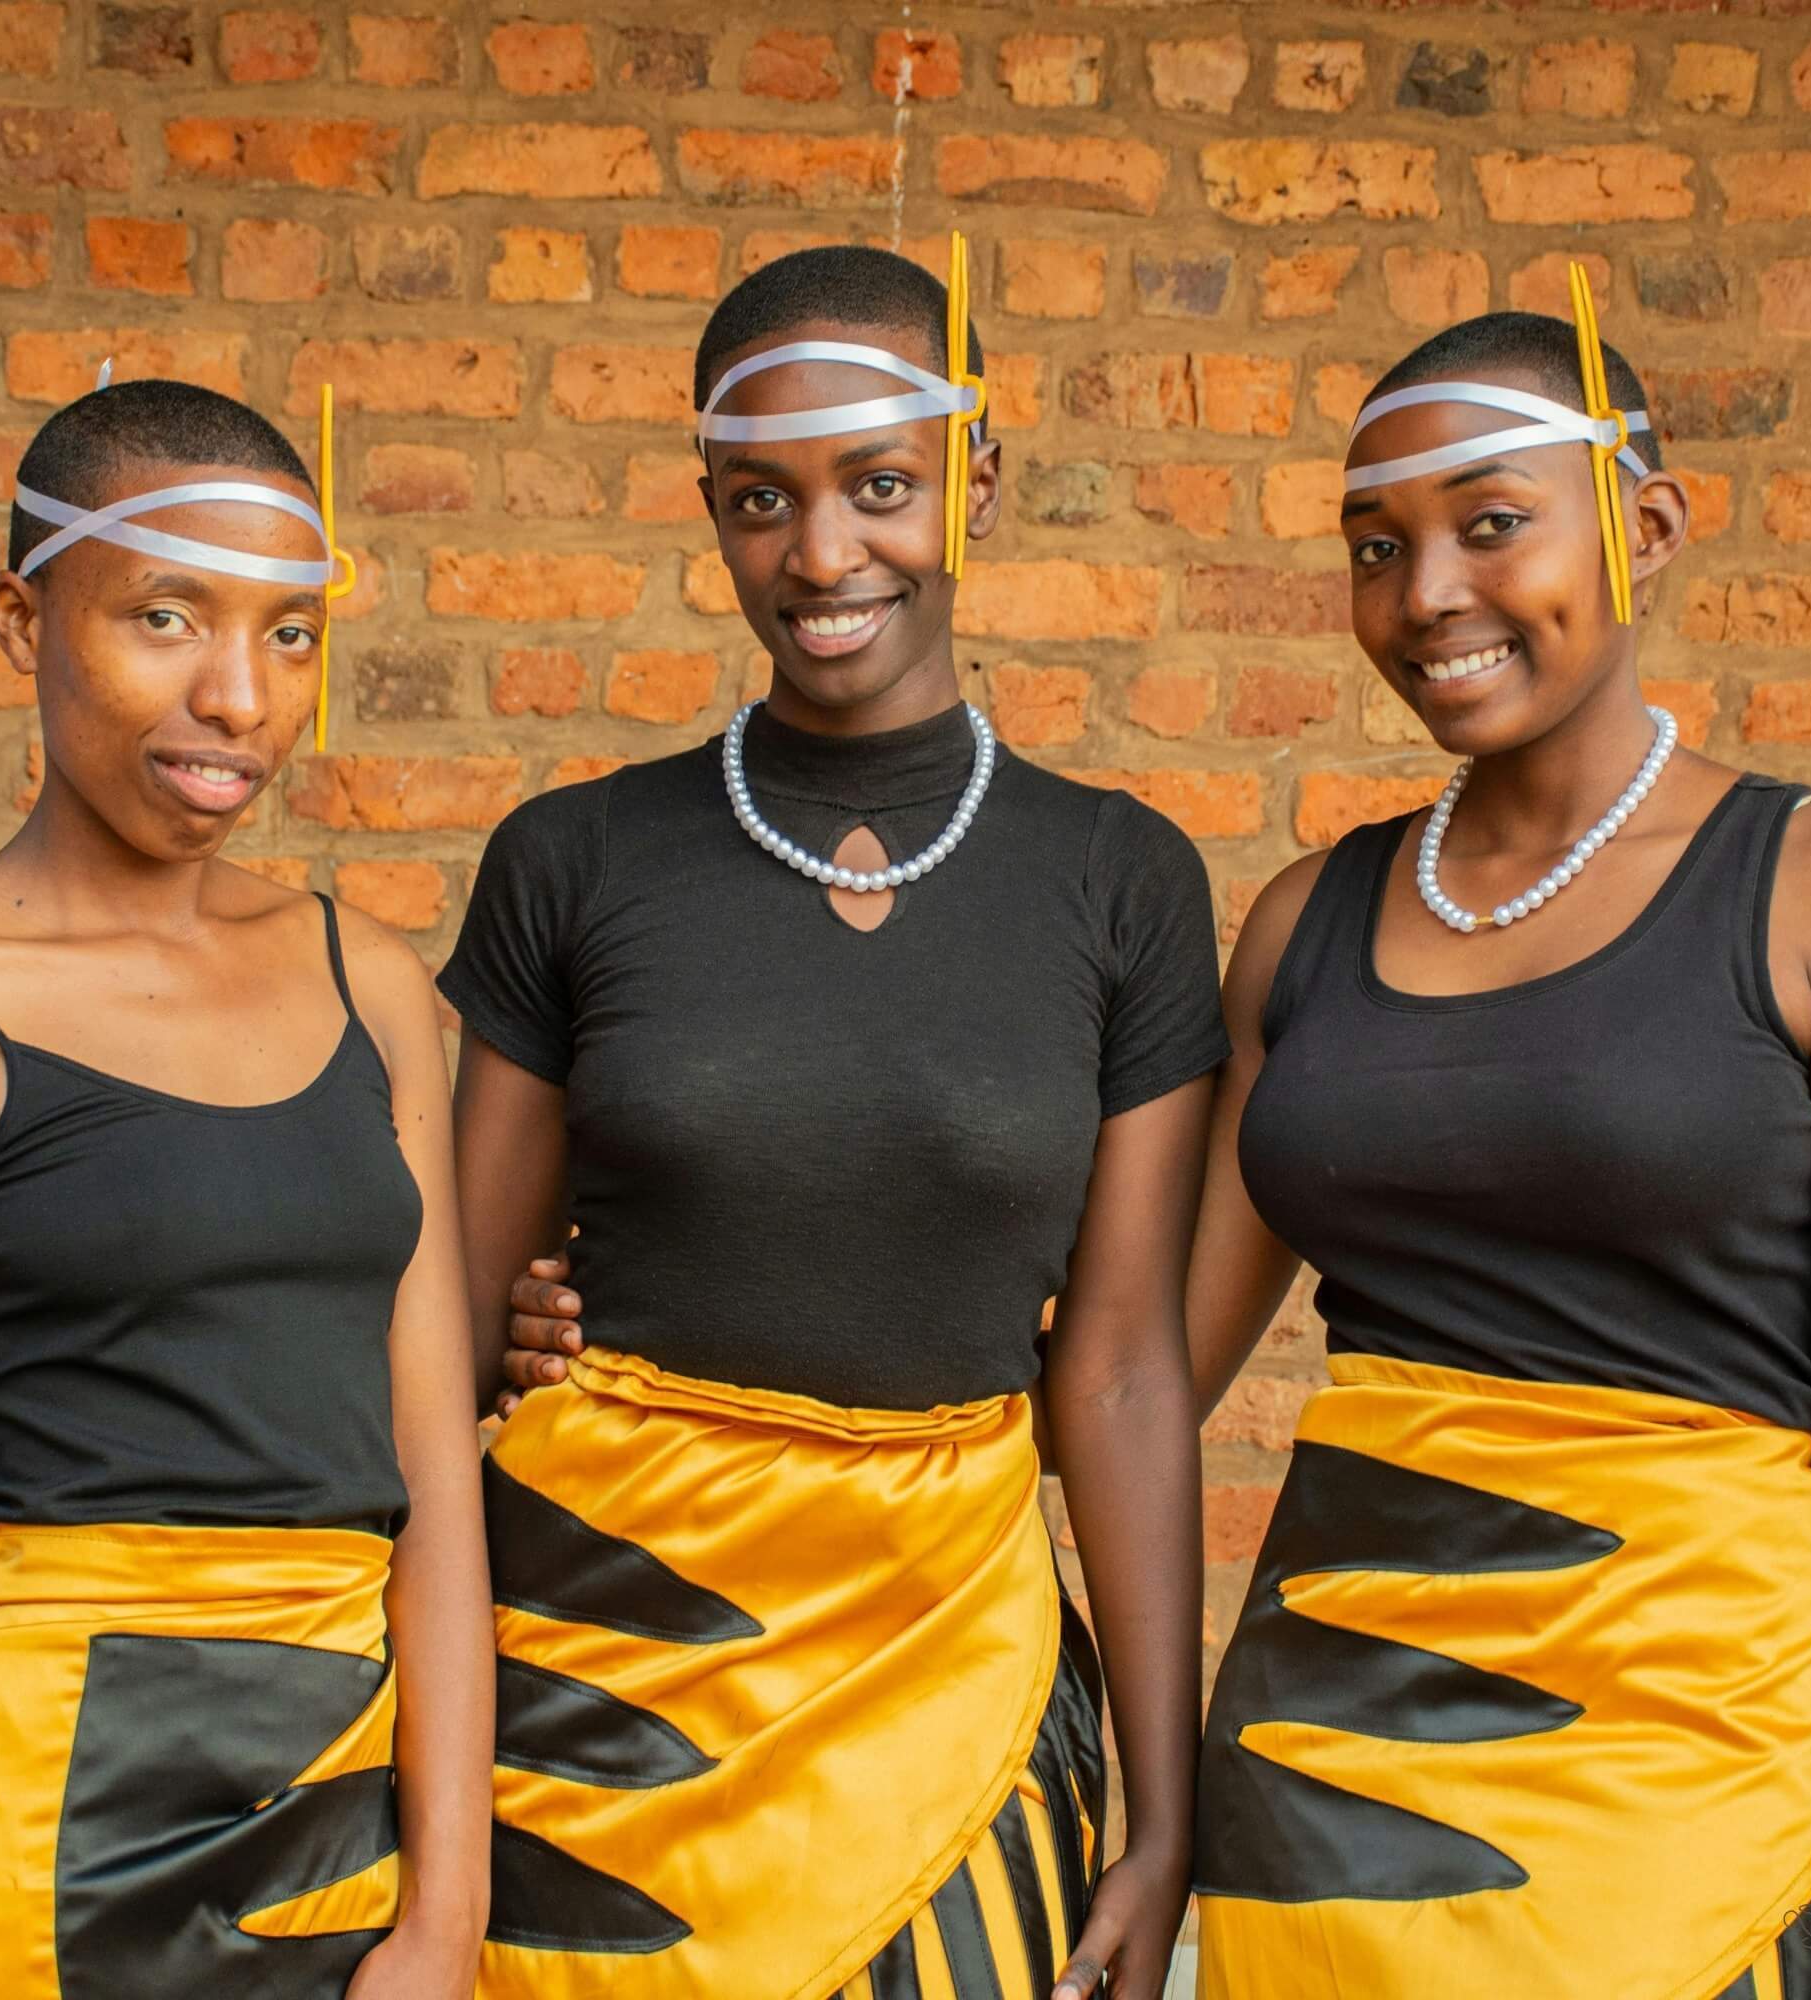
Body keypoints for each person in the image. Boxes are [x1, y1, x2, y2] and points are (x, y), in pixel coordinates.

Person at [441, 242, 1223, 2000]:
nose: (821, 555)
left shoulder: (1121, 879)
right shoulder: (575, 860)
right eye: (758, 500)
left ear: (978, 478)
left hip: (953, 1671)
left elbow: (1114, 1371)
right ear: (708, 508)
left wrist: (1164, 1822)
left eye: (881, 487)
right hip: (595, 1668)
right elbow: (433, 1338)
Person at [1185, 289, 1811, 1996]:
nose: (1427, 594)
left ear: (1647, 524)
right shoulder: (1307, 922)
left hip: (1684, 1772)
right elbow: (1132, 1373)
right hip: (1322, 1790)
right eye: (1377, 546)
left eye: (1491, 525)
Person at [0, 379, 493, 1997]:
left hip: (341, 1803)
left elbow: (433, 1490)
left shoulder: (363, 977)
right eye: (167, 616)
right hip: (36, 1809)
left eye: (291, 634)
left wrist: (442, 1918)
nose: (239, 696)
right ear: (26, 621)